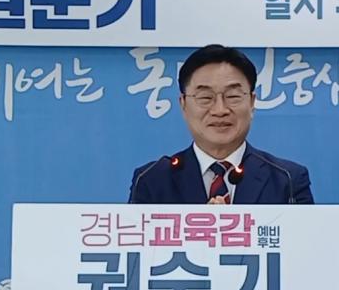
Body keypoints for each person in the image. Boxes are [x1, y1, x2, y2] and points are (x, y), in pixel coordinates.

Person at [129, 44, 314, 205]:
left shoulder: (287, 179)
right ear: (183, 104)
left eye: (233, 96)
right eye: (205, 97)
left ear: (251, 102)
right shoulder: (151, 180)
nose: (220, 110)